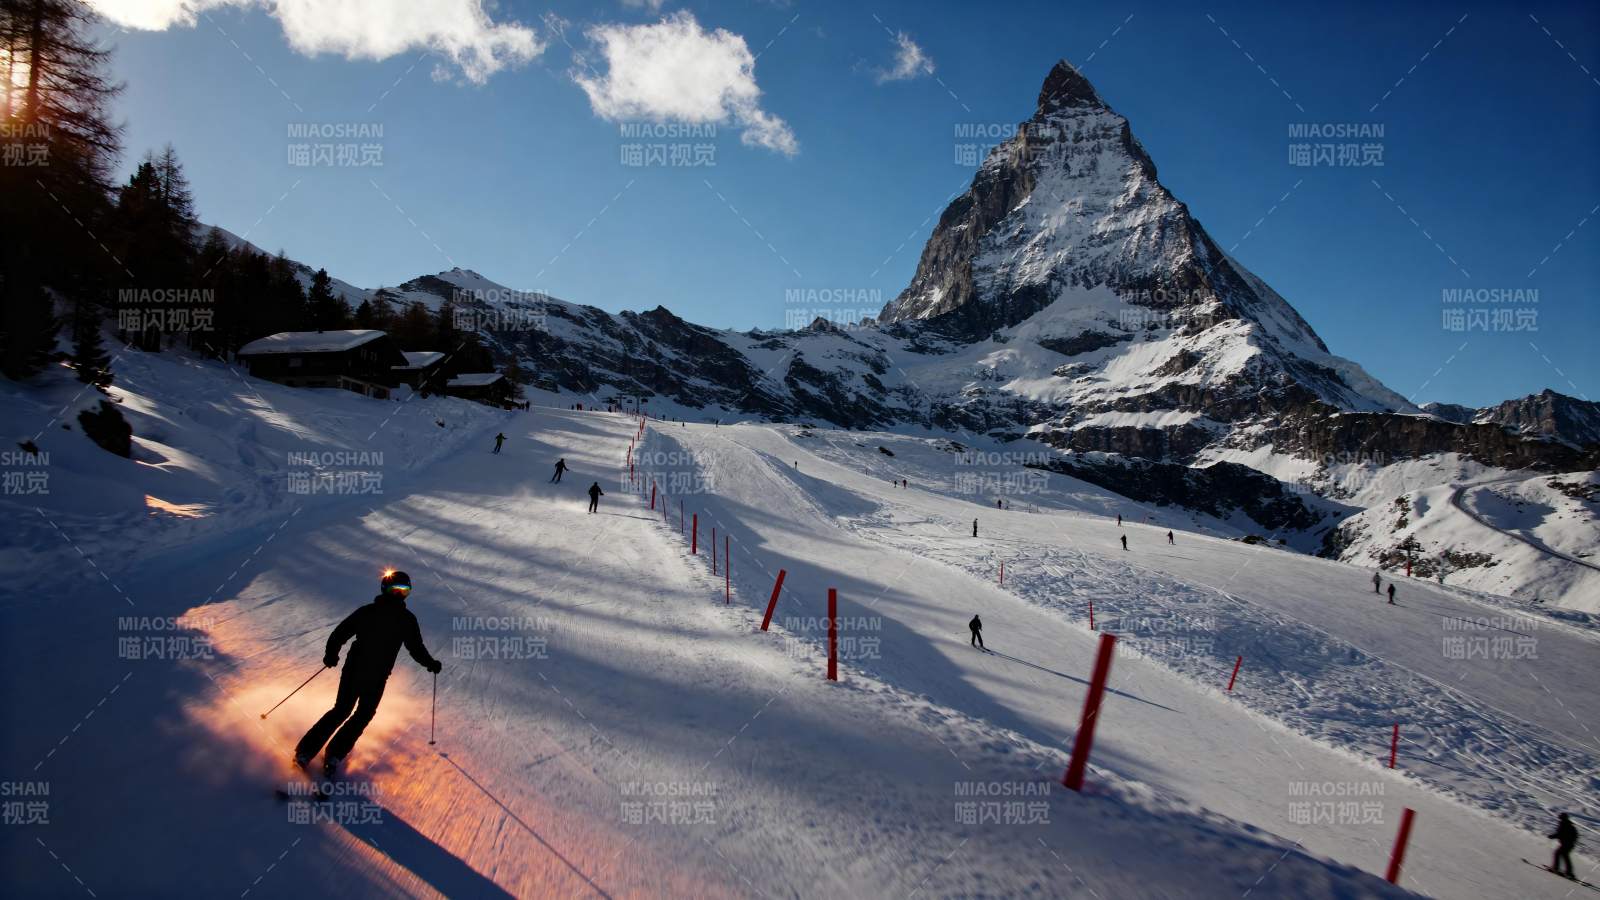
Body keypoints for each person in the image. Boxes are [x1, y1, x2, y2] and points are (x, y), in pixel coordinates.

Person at [295, 570, 441, 776]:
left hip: (379, 676)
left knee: (363, 715)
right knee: (342, 710)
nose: (398, 595)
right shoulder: (368, 612)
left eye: (404, 591)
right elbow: (341, 632)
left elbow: (415, 647)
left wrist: (430, 663)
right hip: (355, 670)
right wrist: (331, 654)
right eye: (395, 590)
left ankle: (334, 753)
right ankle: (305, 752)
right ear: (385, 590)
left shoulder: (407, 620)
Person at [1549, 812, 1578, 878]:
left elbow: (1560, 834)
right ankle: (1569, 872)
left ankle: (1556, 868)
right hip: (1570, 844)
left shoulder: (1563, 824)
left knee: (1557, 853)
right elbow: (1575, 835)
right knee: (1565, 856)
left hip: (1566, 844)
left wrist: (1552, 836)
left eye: (1560, 818)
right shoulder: (1570, 825)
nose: (1559, 819)